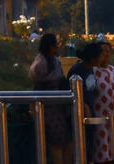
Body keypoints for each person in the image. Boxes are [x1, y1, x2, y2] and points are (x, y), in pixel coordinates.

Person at [31, 33, 73, 164]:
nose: (59, 47)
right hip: (49, 109)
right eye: (57, 44)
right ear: (51, 47)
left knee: (67, 141)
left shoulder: (55, 62)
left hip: (61, 107)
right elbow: (37, 88)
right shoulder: (40, 65)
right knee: (56, 142)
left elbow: (62, 81)